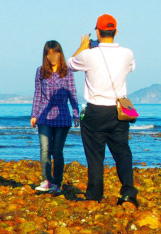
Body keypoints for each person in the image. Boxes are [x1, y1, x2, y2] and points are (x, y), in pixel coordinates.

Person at [67, 14, 138, 206]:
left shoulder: (89, 55)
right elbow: (131, 68)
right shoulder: (127, 53)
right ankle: (128, 192)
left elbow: (69, 65)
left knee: (95, 155)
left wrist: (84, 45)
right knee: (122, 152)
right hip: (119, 109)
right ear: (116, 31)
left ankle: (95, 195)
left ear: (97, 31)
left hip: (96, 110)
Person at [30, 40, 79, 194]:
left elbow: (72, 93)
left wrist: (76, 114)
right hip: (44, 116)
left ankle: (57, 182)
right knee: (45, 149)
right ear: (46, 55)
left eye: (55, 53)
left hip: (62, 115)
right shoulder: (40, 71)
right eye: (49, 53)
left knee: (57, 151)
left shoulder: (67, 72)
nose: (53, 56)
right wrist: (34, 114)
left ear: (60, 54)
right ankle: (46, 180)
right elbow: (38, 93)